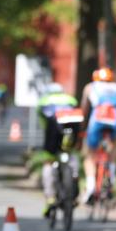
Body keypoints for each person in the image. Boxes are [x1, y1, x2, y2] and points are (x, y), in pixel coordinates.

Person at [36, 83, 84, 218]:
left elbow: (43, 121)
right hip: (71, 135)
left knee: (48, 164)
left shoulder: (44, 101)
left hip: (53, 136)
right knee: (72, 158)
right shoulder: (71, 99)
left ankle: (50, 198)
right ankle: (74, 182)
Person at [79, 67, 116, 205]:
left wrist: (82, 125)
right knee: (113, 145)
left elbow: (85, 108)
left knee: (89, 154)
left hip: (98, 120)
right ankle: (112, 176)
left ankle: (91, 185)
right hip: (115, 120)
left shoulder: (90, 87)